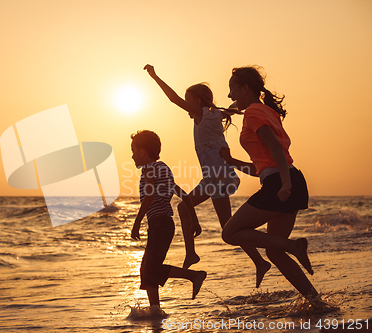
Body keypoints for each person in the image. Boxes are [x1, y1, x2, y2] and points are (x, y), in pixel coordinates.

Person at [144, 64, 271, 288]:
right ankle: (260, 262)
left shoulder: (203, 114)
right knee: (228, 226)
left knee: (184, 207)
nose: (186, 106)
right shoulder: (216, 114)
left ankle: (191, 252)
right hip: (219, 175)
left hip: (216, 176)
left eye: (189, 101)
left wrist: (155, 77)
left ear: (199, 102)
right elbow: (233, 108)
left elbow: (173, 99)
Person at [219, 65, 318, 300]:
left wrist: (284, 184)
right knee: (274, 251)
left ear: (245, 88)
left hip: (281, 182)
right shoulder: (264, 111)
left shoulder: (254, 113)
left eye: (232, 89)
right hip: (289, 178)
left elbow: (274, 147)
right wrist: (232, 161)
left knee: (230, 233)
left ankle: (294, 246)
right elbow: (263, 167)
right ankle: (317, 302)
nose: (229, 95)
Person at [130, 130, 207, 312]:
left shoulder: (149, 169)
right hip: (164, 225)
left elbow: (149, 197)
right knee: (146, 268)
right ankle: (155, 311)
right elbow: (185, 196)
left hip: (159, 224)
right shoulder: (164, 168)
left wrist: (136, 222)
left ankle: (194, 276)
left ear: (142, 152)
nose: (132, 156)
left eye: (133, 151)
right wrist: (194, 222)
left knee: (151, 268)